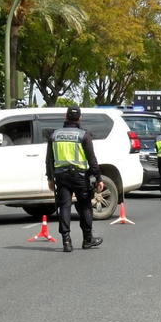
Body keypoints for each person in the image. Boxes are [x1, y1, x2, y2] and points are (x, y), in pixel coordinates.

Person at [45, 106, 104, 253]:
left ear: (65, 117)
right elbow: (92, 159)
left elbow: (49, 159)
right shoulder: (84, 136)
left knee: (64, 206)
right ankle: (87, 239)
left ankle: (66, 241)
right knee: (85, 206)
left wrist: (50, 177)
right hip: (80, 176)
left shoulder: (54, 135)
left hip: (61, 176)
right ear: (80, 118)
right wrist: (98, 177)